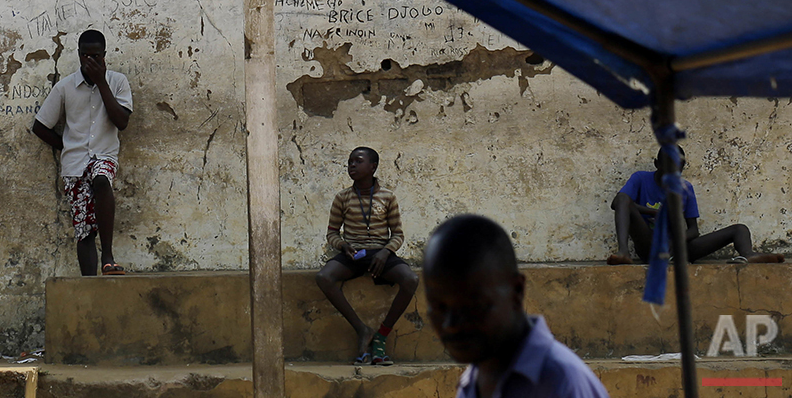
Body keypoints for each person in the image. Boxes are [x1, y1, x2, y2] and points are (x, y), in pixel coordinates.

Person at [424, 214, 609, 398]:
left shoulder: (562, 384)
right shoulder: (471, 383)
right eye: (439, 307)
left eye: (473, 306)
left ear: (517, 290)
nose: (451, 324)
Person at [32, 29, 133, 276]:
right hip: (75, 163)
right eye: (85, 56)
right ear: (78, 55)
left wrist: (101, 82)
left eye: (96, 56)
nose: (90, 61)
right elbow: (39, 126)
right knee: (84, 228)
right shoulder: (65, 87)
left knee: (101, 180)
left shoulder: (117, 82)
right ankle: (89, 283)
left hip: (104, 156)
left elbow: (121, 122)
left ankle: (107, 256)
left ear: (104, 56)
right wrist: (66, 145)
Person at [315, 146, 418, 366]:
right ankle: (362, 329)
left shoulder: (387, 197)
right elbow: (332, 233)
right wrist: (343, 246)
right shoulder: (342, 197)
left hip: (381, 253)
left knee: (411, 279)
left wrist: (385, 252)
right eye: (350, 161)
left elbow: (398, 234)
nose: (351, 165)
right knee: (324, 277)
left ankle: (381, 336)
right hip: (354, 254)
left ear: (373, 166)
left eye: (358, 161)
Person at [606, 146, 784, 265]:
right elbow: (618, 202)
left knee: (740, 229)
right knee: (623, 199)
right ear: (657, 164)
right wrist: (655, 212)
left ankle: (749, 255)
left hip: (676, 247)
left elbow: (693, 230)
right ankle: (623, 253)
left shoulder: (685, 189)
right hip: (649, 244)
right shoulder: (640, 178)